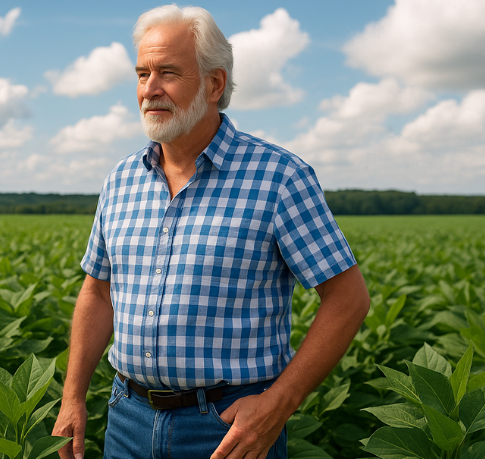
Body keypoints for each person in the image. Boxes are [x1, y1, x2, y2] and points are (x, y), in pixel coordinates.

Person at [52, 5, 370, 459]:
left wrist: (278, 405)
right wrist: (72, 397)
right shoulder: (121, 180)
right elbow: (98, 293)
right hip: (126, 417)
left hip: (226, 426)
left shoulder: (279, 176)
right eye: (142, 74)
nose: (150, 89)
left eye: (168, 73)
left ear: (214, 83)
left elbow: (348, 298)